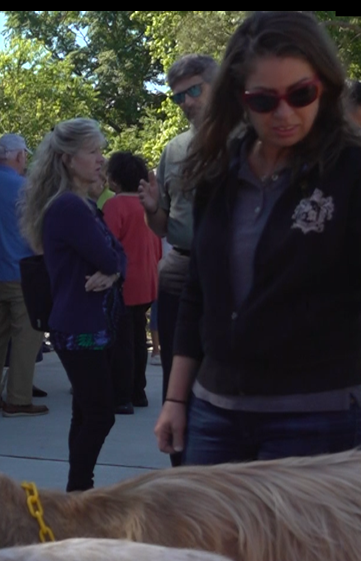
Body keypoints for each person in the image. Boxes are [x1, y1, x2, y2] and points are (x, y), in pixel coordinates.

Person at [146, 11, 361, 473]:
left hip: (324, 421)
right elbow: (198, 294)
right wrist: (175, 398)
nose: (285, 113)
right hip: (216, 417)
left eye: (301, 93)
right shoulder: (216, 172)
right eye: (264, 99)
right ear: (239, 99)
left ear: (324, 87)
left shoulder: (358, 173)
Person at [19, 118, 126, 491]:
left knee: (85, 411)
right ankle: (80, 491)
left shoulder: (82, 204)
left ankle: (77, 492)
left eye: (101, 150)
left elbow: (118, 257)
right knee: (100, 414)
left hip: (83, 323)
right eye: (93, 151)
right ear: (68, 158)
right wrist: (112, 269)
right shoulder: (70, 207)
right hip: (80, 325)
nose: (101, 159)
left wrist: (112, 272)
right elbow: (113, 258)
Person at [139, 52, 218, 466]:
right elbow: (163, 226)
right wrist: (152, 208)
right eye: (177, 97)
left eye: (193, 91)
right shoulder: (174, 149)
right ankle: (182, 466)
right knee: (177, 374)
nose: (186, 102)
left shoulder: (250, 139)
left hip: (230, 271)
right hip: (180, 269)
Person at [0, 134, 49, 418]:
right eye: (25, 155)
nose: (25, 160)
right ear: (17, 156)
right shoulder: (26, 189)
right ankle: (18, 399)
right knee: (27, 338)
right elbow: (37, 235)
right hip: (22, 274)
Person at [103, 152, 162, 410]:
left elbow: (106, 244)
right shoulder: (147, 205)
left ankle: (123, 395)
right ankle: (139, 391)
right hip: (147, 281)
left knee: (122, 342)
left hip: (124, 282)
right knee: (138, 338)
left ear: (115, 180)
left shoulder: (115, 206)